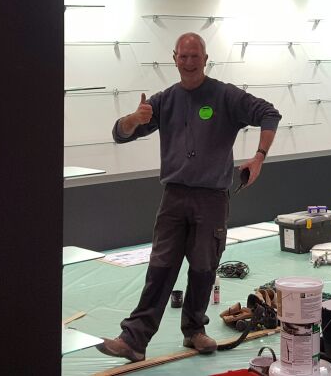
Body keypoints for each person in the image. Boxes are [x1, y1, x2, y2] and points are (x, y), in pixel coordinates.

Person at [96, 32, 280, 362]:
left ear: (205, 59)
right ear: (175, 59)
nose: (189, 62)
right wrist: (134, 119)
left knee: (204, 267)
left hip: (212, 199)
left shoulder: (225, 96)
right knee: (160, 266)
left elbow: (269, 113)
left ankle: (194, 330)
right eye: (183, 56)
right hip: (174, 197)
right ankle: (134, 340)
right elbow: (119, 134)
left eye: (195, 56)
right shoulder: (165, 100)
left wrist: (259, 157)